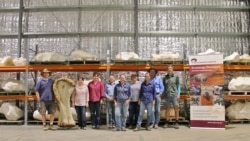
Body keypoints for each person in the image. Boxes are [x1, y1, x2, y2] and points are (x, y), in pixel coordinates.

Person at [162, 65, 181, 129]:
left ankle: (176, 122)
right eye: (168, 69)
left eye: (170, 69)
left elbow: (178, 86)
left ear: (173, 70)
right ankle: (167, 122)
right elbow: (164, 87)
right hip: (167, 95)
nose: (169, 70)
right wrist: (163, 94)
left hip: (174, 95)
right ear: (167, 70)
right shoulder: (165, 78)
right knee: (167, 109)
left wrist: (178, 94)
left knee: (176, 109)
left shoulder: (176, 77)